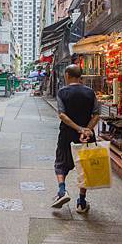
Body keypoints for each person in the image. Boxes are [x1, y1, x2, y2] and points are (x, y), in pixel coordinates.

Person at [51, 64, 100, 213]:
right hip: (86, 136)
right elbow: (97, 114)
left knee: (61, 163)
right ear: (80, 77)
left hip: (67, 134)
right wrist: (86, 129)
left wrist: (77, 128)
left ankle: (62, 191)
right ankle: (81, 202)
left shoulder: (62, 92)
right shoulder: (90, 93)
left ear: (67, 75)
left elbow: (62, 115)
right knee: (84, 167)